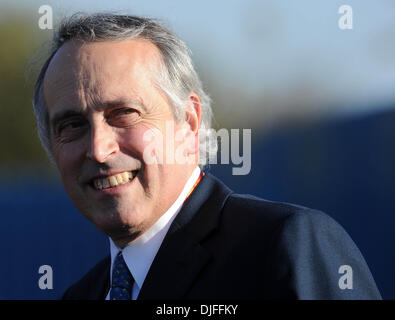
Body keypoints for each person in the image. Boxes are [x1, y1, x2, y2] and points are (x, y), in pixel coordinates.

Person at [32, 13, 381, 300]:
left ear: (189, 121)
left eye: (124, 113)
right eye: (72, 125)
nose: (98, 148)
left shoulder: (281, 250)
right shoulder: (80, 296)